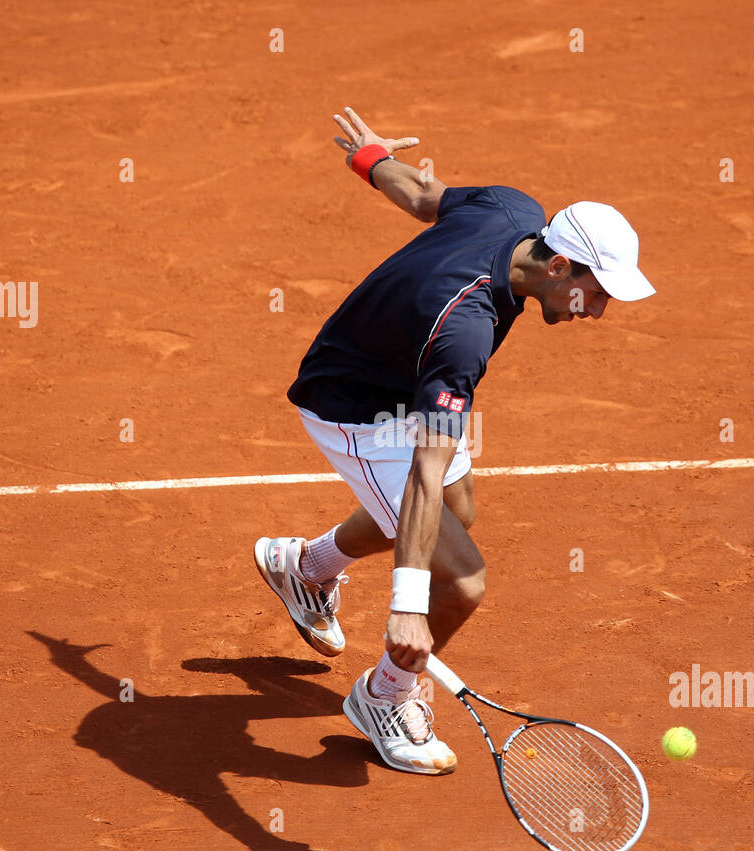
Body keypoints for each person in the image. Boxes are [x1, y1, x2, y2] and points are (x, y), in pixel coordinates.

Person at [254, 107, 655, 775]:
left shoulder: (511, 208)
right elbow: (421, 471)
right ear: (560, 265)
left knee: (457, 509)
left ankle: (306, 567)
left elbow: (420, 196)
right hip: (356, 408)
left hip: (408, 374)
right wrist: (408, 609)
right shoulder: (465, 329)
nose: (601, 309)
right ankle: (385, 695)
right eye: (597, 290)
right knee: (462, 580)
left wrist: (370, 157)